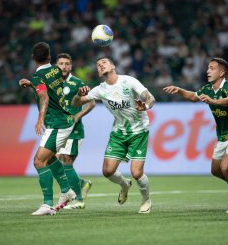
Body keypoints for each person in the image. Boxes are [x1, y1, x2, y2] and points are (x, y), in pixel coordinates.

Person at [163, 58, 228, 213]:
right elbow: (193, 97)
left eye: (212, 68)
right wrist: (179, 90)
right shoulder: (208, 88)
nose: (208, 71)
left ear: (222, 72)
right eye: (208, 68)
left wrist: (214, 102)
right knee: (216, 171)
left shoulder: (227, 87)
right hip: (222, 135)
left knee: (226, 168)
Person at [72, 57, 155, 214]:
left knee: (137, 173)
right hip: (118, 133)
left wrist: (146, 105)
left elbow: (150, 97)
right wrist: (77, 95)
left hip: (139, 131)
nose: (101, 65)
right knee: (107, 171)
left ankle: (146, 200)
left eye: (104, 62)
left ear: (113, 66)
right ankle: (124, 185)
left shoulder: (129, 81)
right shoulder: (100, 89)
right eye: (98, 65)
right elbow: (76, 103)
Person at [18, 42, 77, 216]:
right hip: (65, 120)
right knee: (49, 159)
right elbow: (48, 88)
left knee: (38, 161)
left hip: (56, 124)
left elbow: (43, 95)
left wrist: (40, 119)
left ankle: (48, 204)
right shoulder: (56, 70)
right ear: (50, 57)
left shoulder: (39, 77)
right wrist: (31, 84)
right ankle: (67, 190)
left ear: (33, 58)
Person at [55, 53, 96, 209]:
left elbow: (91, 104)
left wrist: (77, 115)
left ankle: (78, 199)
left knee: (66, 161)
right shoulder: (54, 84)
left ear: (71, 66)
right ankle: (82, 183)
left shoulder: (78, 83)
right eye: (61, 64)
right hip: (59, 129)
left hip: (74, 131)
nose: (64, 66)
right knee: (56, 160)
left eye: (67, 64)